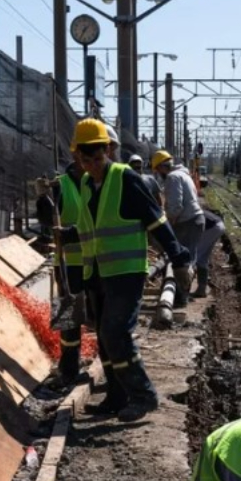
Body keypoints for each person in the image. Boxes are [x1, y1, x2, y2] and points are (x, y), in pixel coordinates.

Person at [58, 118, 192, 421]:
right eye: (85, 157)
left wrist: (179, 257)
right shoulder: (85, 185)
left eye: (97, 156)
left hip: (126, 272)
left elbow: (156, 221)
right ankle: (117, 397)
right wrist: (69, 235)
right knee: (105, 337)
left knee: (115, 332)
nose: (91, 163)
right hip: (98, 273)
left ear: (107, 150)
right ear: (76, 156)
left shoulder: (126, 179)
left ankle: (143, 395)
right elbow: (89, 228)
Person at [35, 147, 94, 392]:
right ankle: (68, 369)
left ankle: (111, 369)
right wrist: (42, 201)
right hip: (68, 264)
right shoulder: (61, 185)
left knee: (99, 316)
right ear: (76, 158)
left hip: (96, 261)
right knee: (69, 320)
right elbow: (48, 219)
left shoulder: (98, 183)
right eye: (84, 156)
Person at [152, 150, 204, 307]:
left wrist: (168, 223)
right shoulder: (184, 175)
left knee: (181, 260)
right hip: (195, 220)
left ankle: (181, 298)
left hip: (186, 222)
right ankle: (183, 295)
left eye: (157, 170)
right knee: (189, 258)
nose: (158, 174)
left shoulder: (173, 178)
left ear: (162, 167)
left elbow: (176, 206)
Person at [191, 209, 226, 297]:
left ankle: (182, 290)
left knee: (194, 256)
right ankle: (202, 289)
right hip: (218, 225)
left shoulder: (185, 214)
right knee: (203, 259)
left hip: (212, 227)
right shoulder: (191, 209)